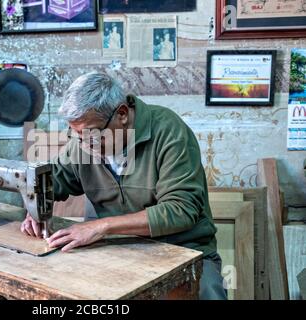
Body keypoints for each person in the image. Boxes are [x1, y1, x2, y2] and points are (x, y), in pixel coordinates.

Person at [21, 72, 227, 300]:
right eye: (75, 134)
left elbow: (181, 210)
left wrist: (101, 226)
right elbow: (53, 181)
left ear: (121, 114)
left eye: (91, 134)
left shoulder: (168, 131)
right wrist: (35, 207)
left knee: (208, 294)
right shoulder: (83, 143)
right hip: (116, 250)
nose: (83, 143)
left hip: (183, 250)